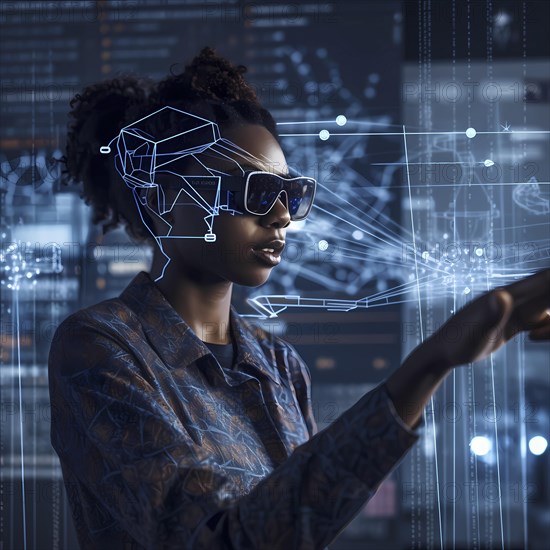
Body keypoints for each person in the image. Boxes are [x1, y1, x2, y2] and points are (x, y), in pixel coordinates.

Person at [48, 46, 550, 550]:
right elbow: (218, 540)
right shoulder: (100, 349)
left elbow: (302, 521)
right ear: (163, 203)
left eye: (291, 194)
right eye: (256, 192)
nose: (283, 215)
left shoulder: (278, 364)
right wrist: (428, 364)